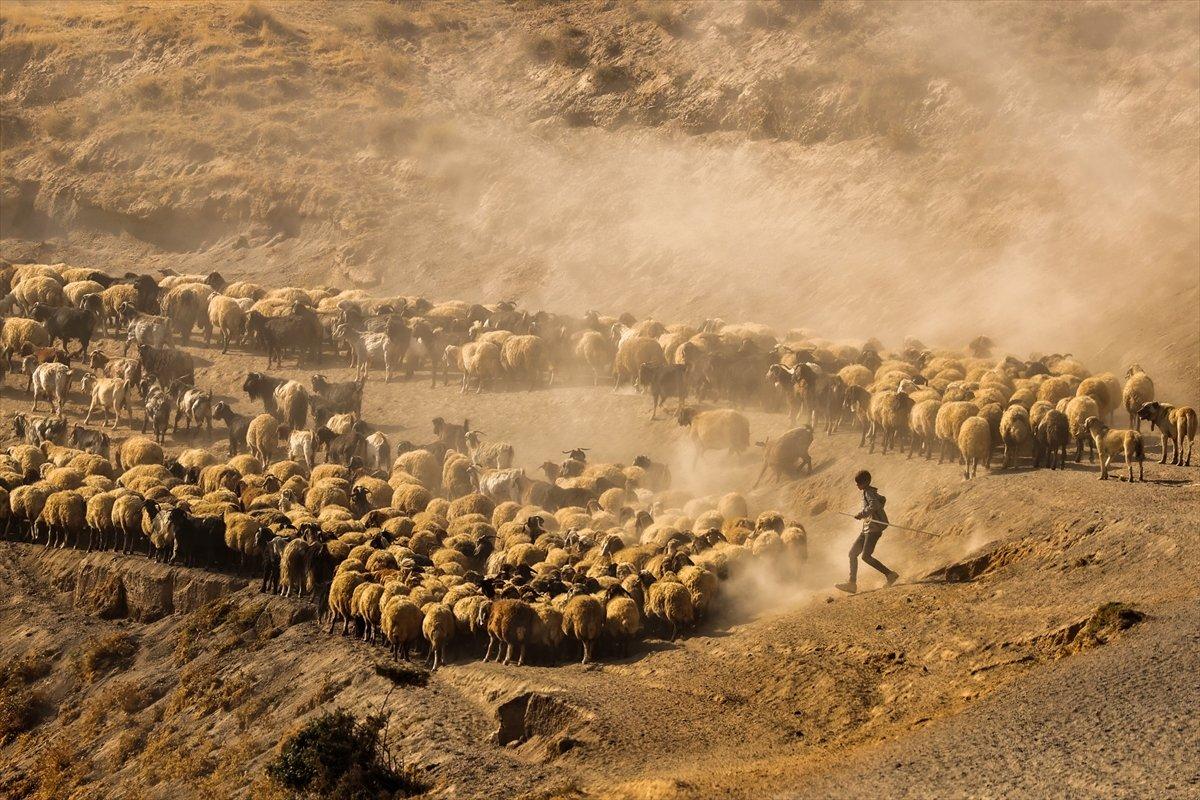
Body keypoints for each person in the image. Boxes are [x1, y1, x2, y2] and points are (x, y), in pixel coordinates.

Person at [835, 470, 899, 594]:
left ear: (865, 482)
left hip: (873, 530)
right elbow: (882, 499)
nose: (857, 485)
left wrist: (862, 514)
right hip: (867, 528)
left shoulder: (869, 492)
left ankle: (890, 574)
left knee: (865, 556)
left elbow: (874, 505)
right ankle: (852, 584)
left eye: (859, 483)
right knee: (852, 554)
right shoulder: (869, 492)